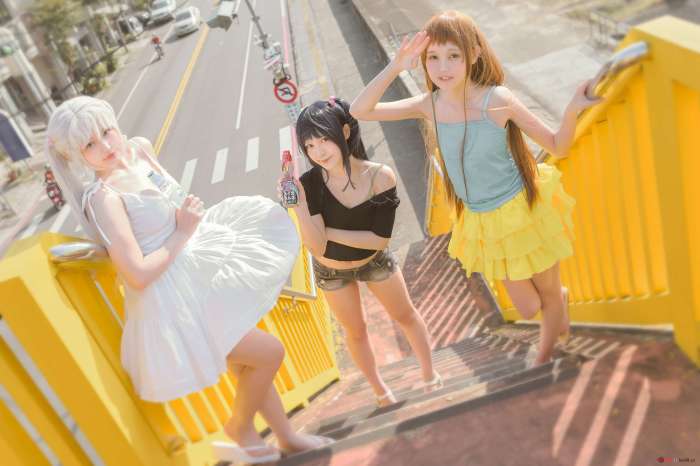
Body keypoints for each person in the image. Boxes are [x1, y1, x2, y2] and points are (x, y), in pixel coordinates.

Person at [46, 96, 332, 463]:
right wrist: (182, 231)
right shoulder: (103, 198)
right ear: (76, 155)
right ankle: (240, 427)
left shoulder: (138, 150)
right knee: (269, 353)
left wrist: (187, 219)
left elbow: (172, 200)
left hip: (199, 273)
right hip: (174, 301)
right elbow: (136, 274)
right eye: (90, 144)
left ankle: (286, 437)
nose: (105, 145)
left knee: (248, 363)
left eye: (107, 131)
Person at [350, 11, 600, 365]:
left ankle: (545, 354)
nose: (443, 67)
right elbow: (361, 110)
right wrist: (396, 66)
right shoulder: (430, 105)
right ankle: (559, 302)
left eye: (454, 55)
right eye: (433, 57)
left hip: (523, 210)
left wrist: (573, 108)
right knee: (527, 307)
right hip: (483, 221)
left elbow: (557, 145)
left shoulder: (496, 99)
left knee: (546, 297)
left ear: (475, 53)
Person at [282, 97, 439, 407]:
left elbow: (379, 240)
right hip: (331, 270)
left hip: (374, 261)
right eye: (309, 146)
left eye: (323, 139)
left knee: (405, 315)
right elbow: (316, 246)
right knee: (356, 332)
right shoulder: (308, 185)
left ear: (343, 131)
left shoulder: (380, 176)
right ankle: (380, 391)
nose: (318, 152)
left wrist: (328, 232)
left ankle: (430, 375)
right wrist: (299, 204)